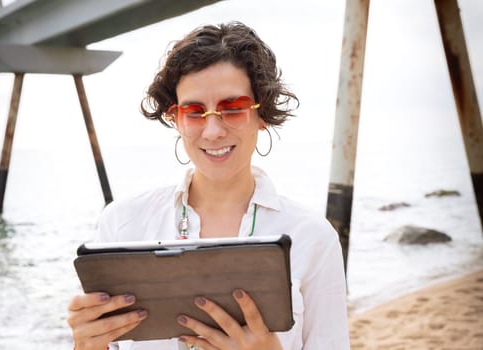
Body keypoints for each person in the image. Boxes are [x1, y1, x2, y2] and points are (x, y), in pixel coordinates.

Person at [67, 21, 350, 350]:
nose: (213, 131)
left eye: (233, 109)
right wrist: (86, 344)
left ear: (261, 116)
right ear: (176, 119)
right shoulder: (122, 224)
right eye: (194, 111)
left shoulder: (313, 237)